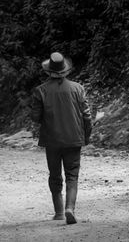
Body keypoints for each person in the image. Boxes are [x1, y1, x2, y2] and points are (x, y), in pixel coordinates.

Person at [30, 52, 92, 224]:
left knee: (55, 175)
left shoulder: (40, 91)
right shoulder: (78, 88)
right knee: (72, 175)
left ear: (49, 71)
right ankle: (69, 209)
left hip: (52, 140)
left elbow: (35, 117)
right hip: (73, 138)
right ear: (65, 70)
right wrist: (86, 136)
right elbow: (87, 116)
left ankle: (58, 213)